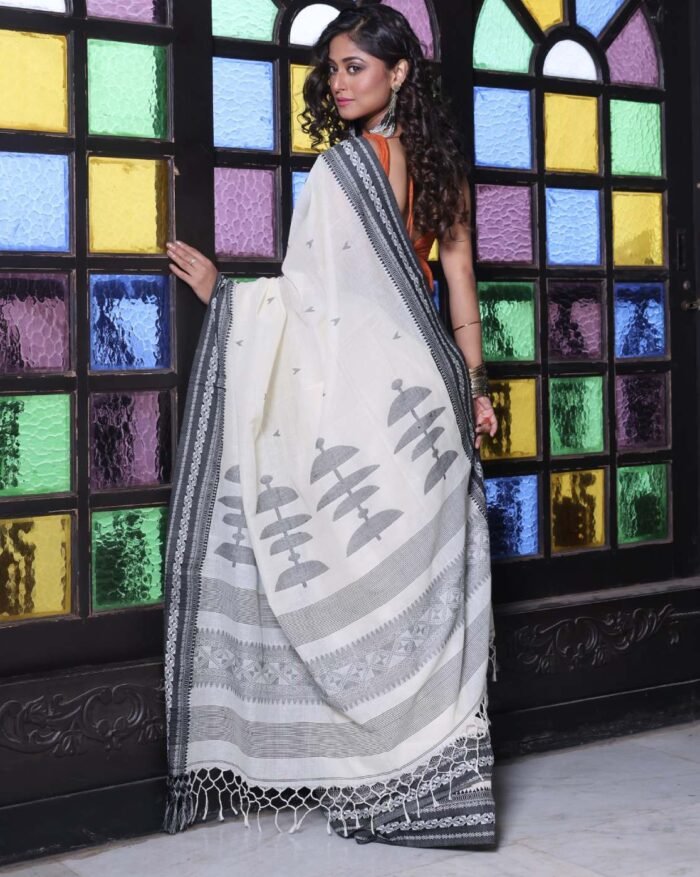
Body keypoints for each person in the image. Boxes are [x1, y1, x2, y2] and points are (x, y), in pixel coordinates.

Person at [163, 2, 498, 849]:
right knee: (416, 576)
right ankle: (425, 784)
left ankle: (391, 778)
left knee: (381, 569)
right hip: (421, 391)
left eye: (356, 66)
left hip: (384, 391)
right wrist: (472, 385)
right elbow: (457, 289)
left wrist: (228, 299)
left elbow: (316, 302)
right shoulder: (427, 167)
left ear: (398, 72)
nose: (340, 83)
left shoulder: (344, 168)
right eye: (334, 69)